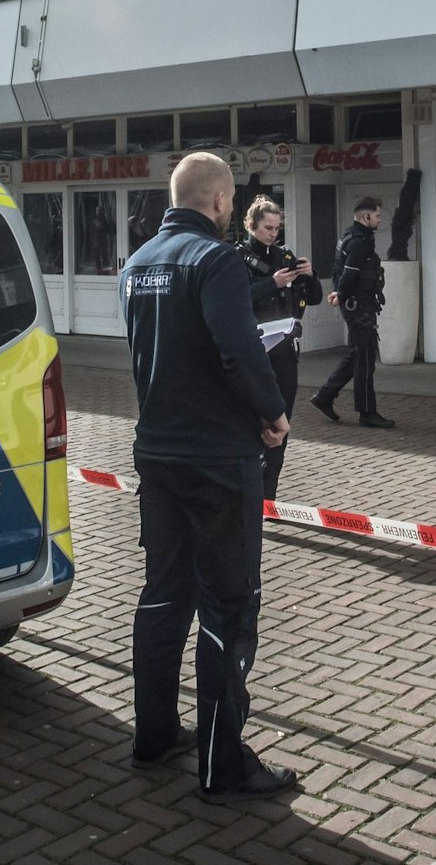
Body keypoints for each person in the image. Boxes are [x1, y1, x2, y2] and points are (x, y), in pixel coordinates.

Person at [120, 151, 299, 804]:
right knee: (228, 603)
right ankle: (223, 766)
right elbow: (239, 346)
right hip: (219, 461)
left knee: (164, 595)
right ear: (221, 201)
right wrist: (272, 412)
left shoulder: (137, 266)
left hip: (157, 456)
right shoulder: (216, 259)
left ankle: (154, 732)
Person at [237, 197, 321, 499]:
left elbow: (314, 298)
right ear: (251, 226)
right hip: (254, 351)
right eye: (267, 228)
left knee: (281, 424)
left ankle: (268, 496)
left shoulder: (285, 256)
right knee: (251, 422)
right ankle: (248, 492)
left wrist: (309, 275)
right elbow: (236, 299)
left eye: (276, 228)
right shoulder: (237, 257)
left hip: (285, 351)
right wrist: (271, 284)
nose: (272, 234)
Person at [310, 196, 393, 429]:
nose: (379, 219)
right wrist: (342, 295)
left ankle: (325, 396)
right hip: (359, 307)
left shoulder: (351, 236)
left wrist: (340, 294)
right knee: (365, 359)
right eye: (377, 215)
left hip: (356, 304)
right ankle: (367, 413)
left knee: (358, 354)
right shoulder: (359, 242)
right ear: (366, 217)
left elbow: (341, 271)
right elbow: (349, 274)